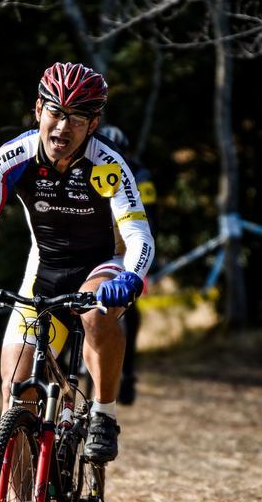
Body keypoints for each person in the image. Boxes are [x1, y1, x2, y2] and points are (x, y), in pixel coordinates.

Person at [0, 62, 155, 463]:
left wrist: (130, 277)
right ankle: (22, 487)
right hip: (44, 269)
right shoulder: (14, 157)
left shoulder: (108, 163)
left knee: (95, 314)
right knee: (16, 392)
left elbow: (139, 235)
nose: (63, 127)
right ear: (38, 110)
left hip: (101, 266)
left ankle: (104, 414)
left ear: (93, 125)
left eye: (77, 118)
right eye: (56, 113)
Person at [96, 124, 158, 405]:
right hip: (98, 246)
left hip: (130, 246)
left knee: (130, 308)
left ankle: (129, 372)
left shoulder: (141, 176)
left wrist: (145, 262)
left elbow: (151, 220)